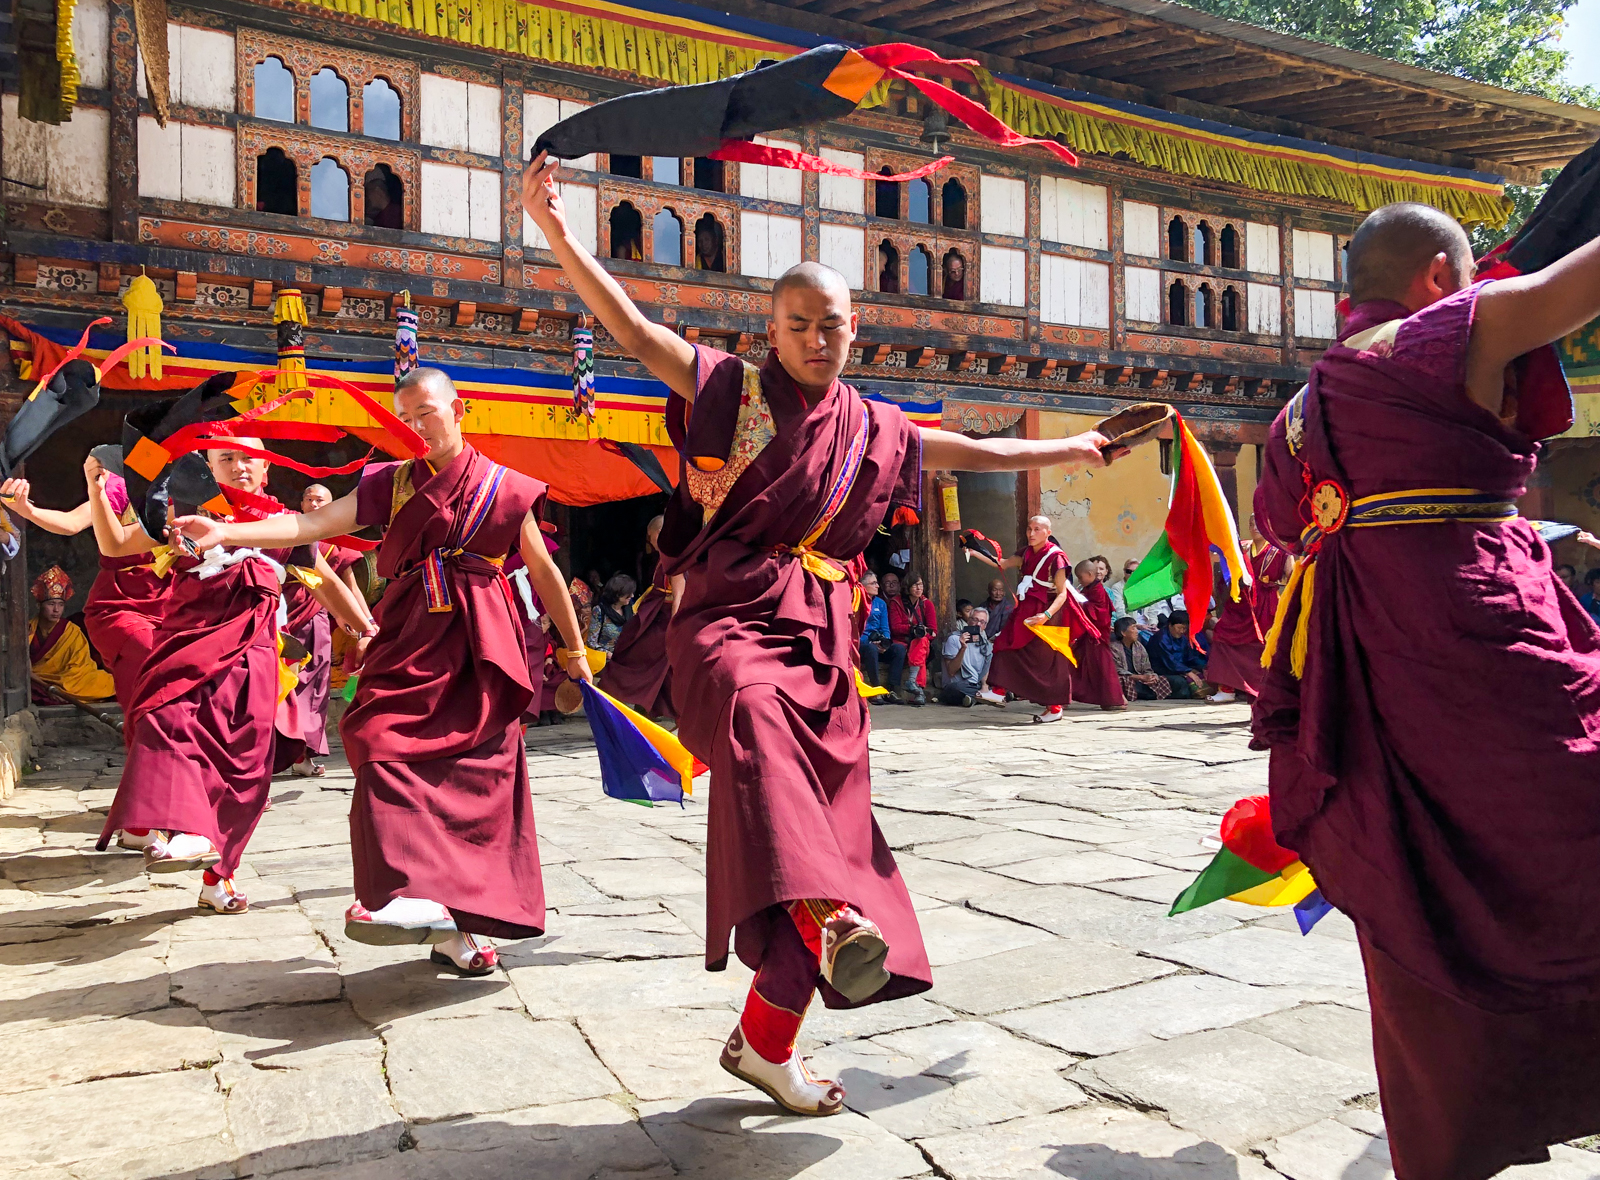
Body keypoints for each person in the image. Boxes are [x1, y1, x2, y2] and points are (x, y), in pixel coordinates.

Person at [523, 151, 1116, 1117]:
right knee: (755, 726)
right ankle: (827, 913)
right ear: (772, 329)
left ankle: (768, 1039)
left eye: (832, 326)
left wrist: (1070, 445)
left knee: (823, 828)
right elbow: (629, 327)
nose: (816, 339)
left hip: (821, 641)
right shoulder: (731, 391)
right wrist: (556, 232)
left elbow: (981, 446)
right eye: (798, 325)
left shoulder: (878, 426)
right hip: (724, 620)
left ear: (854, 329)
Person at [1252, 202, 1600, 1178]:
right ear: (1442, 281)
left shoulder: (1296, 413)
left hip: (1368, 678)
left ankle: (1448, 1150)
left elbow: (1277, 532)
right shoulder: (1445, 332)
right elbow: (1574, 287)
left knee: (1416, 907)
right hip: (1485, 641)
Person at [175, 369, 592, 974]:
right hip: (410, 634)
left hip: (479, 640)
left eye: (429, 412)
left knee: (478, 776)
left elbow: (543, 570)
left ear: (459, 409)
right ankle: (407, 890)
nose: (419, 427)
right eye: (407, 417)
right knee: (377, 739)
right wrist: (229, 528)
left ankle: (459, 927)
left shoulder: (504, 485)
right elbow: (312, 525)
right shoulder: (395, 483)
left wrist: (573, 648)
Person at [98, 439, 368, 917]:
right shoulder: (182, 515)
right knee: (165, 722)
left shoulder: (284, 523)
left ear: (266, 467)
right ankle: (181, 828)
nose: (240, 467)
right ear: (210, 470)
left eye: (249, 458)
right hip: (187, 645)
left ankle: (218, 878)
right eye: (227, 459)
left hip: (256, 658)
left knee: (243, 773)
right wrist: (95, 485)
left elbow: (321, 578)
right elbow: (115, 545)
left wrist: (363, 630)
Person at [280, 483, 374, 777]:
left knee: (314, 685)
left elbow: (347, 587)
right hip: (279, 610)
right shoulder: (284, 528)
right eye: (308, 498)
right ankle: (277, 750)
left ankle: (302, 756)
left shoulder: (335, 543)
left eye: (320, 499)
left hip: (313, 614)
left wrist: (367, 623)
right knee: (279, 684)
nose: (314, 503)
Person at [978, 515, 1091, 723]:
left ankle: (1055, 707)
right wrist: (974, 551)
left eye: (1037, 529)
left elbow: (1062, 593)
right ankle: (999, 690)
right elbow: (1001, 564)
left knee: (1046, 660)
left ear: (1048, 532)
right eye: (1029, 529)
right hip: (1027, 610)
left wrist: (1045, 616)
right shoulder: (1026, 553)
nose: (1031, 533)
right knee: (1006, 643)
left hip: (1048, 614)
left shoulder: (1056, 557)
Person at [1204, 519, 1291, 703]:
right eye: (1253, 524)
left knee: (1263, 648)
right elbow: (1216, 554)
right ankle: (1226, 689)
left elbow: (1291, 577)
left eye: (1260, 524)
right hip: (1242, 603)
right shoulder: (1242, 547)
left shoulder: (1280, 551)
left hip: (1267, 603)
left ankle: (1264, 692)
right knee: (1222, 636)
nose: (1256, 528)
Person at [605, 517, 679, 720]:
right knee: (631, 650)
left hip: (664, 619)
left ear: (660, 533)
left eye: (651, 536)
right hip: (655, 615)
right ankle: (646, 705)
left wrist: (676, 624)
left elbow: (679, 594)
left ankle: (652, 706)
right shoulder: (662, 557)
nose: (650, 541)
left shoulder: (675, 555)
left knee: (641, 655)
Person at [28, 565, 115, 704]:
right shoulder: (28, 629)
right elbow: (22, 668)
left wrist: (60, 685)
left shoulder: (71, 631)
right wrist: (46, 685)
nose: (56, 610)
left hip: (71, 680)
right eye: (51, 604)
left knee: (102, 683)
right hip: (38, 679)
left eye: (60, 605)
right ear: (39, 606)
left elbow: (78, 668)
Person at [1068, 558, 1124, 710]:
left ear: (1090, 574)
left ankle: (1114, 700)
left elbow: (1100, 613)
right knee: (1077, 665)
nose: (1079, 580)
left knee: (1103, 668)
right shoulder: (1088, 589)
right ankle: (1068, 694)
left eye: (1081, 577)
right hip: (1087, 636)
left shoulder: (1098, 591)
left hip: (1097, 637)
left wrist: (1080, 605)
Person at [857, 570, 905, 700]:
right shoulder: (855, 601)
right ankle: (875, 689)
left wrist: (885, 642)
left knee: (899, 649)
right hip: (861, 644)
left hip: (878, 643)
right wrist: (870, 642)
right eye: (873, 583)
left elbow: (885, 627)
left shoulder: (881, 603)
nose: (878, 586)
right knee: (870, 648)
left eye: (877, 583)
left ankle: (892, 689)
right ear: (863, 586)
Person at [888, 574, 936, 705]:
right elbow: (896, 628)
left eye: (920, 585)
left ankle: (912, 681)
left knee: (922, 642)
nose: (919, 588)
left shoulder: (927, 604)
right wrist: (912, 629)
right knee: (919, 646)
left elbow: (933, 631)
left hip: (920, 642)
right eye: (915, 585)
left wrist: (923, 633)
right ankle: (918, 691)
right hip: (902, 641)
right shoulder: (896, 602)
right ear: (907, 587)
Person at [939, 605, 993, 707]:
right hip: (957, 685)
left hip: (975, 684)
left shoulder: (985, 645)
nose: (977, 624)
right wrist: (963, 648)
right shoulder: (954, 639)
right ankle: (982, 698)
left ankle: (973, 698)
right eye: (975, 619)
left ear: (985, 626)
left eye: (982, 622)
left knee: (1000, 685)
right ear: (969, 620)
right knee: (954, 689)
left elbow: (985, 670)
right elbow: (951, 671)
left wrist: (985, 686)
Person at [1146, 610, 1207, 696]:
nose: (1182, 631)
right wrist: (1188, 672)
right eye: (1179, 628)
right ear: (1170, 625)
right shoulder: (1161, 639)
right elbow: (1170, 662)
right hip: (1163, 671)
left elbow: (1190, 657)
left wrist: (1203, 668)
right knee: (1181, 682)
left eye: (1184, 628)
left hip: (1180, 669)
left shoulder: (1183, 639)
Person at [1110, 616, 1170, 701]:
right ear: (1123, 633)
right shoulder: (1114, 647)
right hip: (1128, 678)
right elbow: (1118, 670)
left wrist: (1150, 676)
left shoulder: (1139, 646)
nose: (1137, 632)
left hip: (1140, 679)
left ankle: (1142, 692)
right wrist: (1140, 677)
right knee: (1120, 681)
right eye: (1133, 628)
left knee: (1161, 679)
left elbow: (1147, 667)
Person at [587, 572, 636, 654]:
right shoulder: (599, 611)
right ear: (618, 594)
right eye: (628, 593)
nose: (632, 596)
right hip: (606, 661)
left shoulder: (630, 609)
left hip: (625, 658)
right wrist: (608, 654)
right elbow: (591, 642)